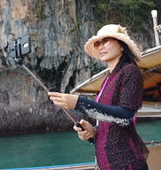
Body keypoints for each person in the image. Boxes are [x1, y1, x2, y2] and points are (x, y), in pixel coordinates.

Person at [48, 24, 148, 170]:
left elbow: (126, 117)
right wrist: (93, 132)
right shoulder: (108, 79)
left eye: (106, 40)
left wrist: (80, 103)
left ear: (122, 45)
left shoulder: (130, 71)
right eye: (98, 43)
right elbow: (110, 124)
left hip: (127, 163)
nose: (101, 46)